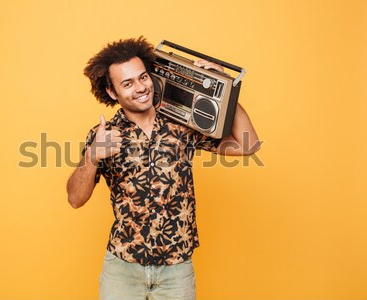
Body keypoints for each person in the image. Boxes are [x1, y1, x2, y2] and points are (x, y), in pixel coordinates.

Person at [67, 37, 260, 300]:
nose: (140, 88)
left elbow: (247, 144)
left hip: (176, 270)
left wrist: (227, 91)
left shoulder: (182, 124)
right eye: (127, 83)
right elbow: (75, 199)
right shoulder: (103, 135)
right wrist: (93, 155)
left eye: (143, 77)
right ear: (112, 92)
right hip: (122, 269)